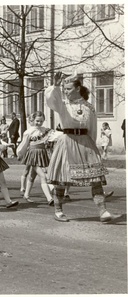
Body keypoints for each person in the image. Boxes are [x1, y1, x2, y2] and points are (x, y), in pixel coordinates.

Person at [45, 71, 112, 223]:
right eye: (64, 89)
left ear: (77, 88)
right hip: (67, 141)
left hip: (85, 142)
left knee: (95, 178)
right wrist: (55, 85)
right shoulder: (63, 105)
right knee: (62, 179)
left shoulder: (89, 107)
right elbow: (51, 99)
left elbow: (92, 128)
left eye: (68, 89)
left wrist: (93, 147)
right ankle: (58, 210)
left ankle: (103, 211)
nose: (65, 92)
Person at [17, 111, 54, 206]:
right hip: (33, 154)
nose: (39, 123)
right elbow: (24, 144)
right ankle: (49, 198)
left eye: (41, 121)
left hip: (41, 153)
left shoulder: (45, 130)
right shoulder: (29, 132)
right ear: (33, 120)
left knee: (32, 176)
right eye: (37, 121)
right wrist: (20, 153)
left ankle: (26, 195)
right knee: (43, 176)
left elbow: (53, 135)